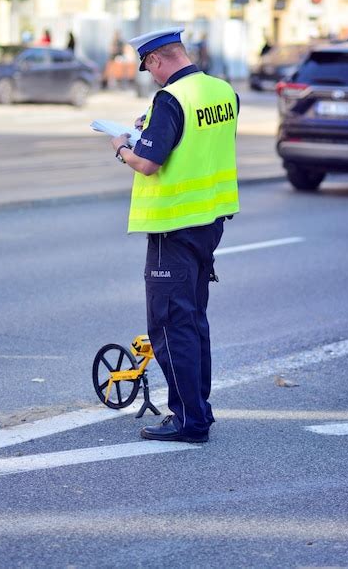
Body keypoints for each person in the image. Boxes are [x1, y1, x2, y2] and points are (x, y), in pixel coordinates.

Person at [110, 28, 240, 443]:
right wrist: (151, 127)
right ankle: (199, 410)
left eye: (148, 67)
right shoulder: (222, 92)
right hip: (209, 221)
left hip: (173, 226)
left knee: (170, 326)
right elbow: (196, 145)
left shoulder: (170, 99)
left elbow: (147, 163)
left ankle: (189, 421)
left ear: (156, 61)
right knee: (194, 321)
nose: (150, 76)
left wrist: (121, 146)